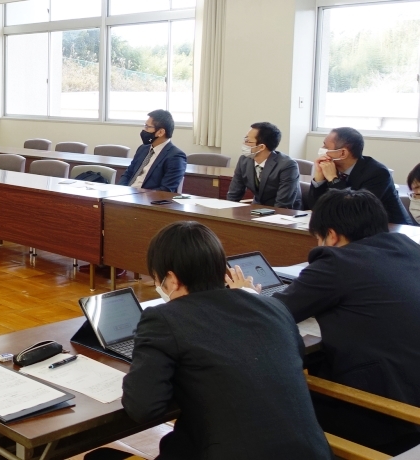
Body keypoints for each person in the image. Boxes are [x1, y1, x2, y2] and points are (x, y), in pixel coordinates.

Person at [101, 221, 331, 459]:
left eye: (157, 280)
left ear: (172, 279)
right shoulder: (274, 307)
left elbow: (142, 407)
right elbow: (293, 356)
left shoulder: (164, 319)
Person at [272, 189, 420, 455]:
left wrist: (244, 293)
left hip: (382, 418)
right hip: (411, 399)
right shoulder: (409, 248)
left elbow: (273, 312)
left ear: (331, 235)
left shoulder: (337, 262)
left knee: (274, 402)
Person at [304, 127, 415, 225]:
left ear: (342, 153)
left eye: (325, 146)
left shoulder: (377, 173)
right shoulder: (332, 168)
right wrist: (319, 179)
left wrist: (334, 180)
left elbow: (355, 211)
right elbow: (315, 208)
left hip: (392, 230)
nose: (322, 148)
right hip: (351, 227)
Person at [226, 122, 302, 209]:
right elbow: (234, 194)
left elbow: (282, 204)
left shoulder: (287, 165)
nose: (244, 143)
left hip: (285, 213)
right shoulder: (244, 160)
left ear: (261, 147)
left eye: (248, 141)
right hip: (257, 209)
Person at [116, 110, 187, 192]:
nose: (144, 130)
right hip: (128, 194)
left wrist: (139, 195)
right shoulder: (143, 148)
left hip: (147, 197)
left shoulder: (176, 156)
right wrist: (121, 190)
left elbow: (166, 189)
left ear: (160, 132)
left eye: (147, 127)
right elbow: (128, 174)